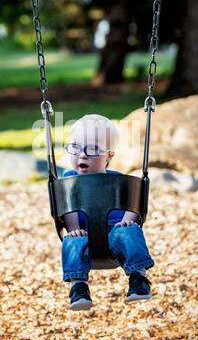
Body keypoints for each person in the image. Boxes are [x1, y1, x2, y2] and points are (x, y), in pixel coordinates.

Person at [62, 114, 154, 311]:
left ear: (109, 156)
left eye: (93, 149)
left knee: (130, 232)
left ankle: (138, 278)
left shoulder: (118, 181)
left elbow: (133, 204)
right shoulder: (69, 180)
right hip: (84, 235)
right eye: (75, 147)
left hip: (115, 234)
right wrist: (73, 228)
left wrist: (128, 220)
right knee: (72, 240)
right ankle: (78, 286)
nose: (82, 155)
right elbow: (66, 207)